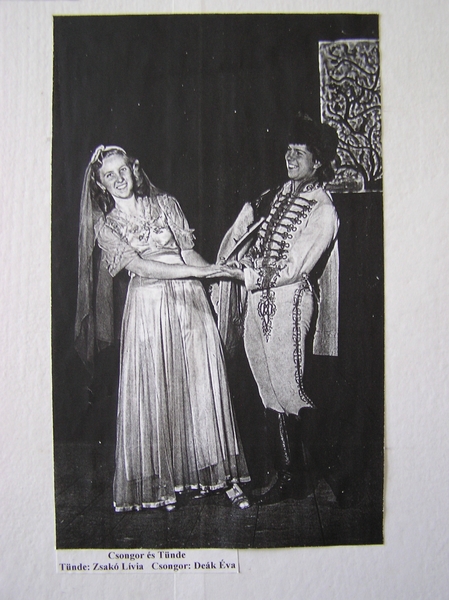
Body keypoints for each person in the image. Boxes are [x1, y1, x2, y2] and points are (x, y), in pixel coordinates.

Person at [75, 145, 250, 512]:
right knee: (158, 385)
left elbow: (188, 253)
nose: (118, 179)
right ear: (100, 183)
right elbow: (142, 268)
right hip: (149, 306)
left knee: (202, 382)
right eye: (109, 175)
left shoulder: (166, 203)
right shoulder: (105, 227)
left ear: (134, 170)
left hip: (189, 299)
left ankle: (222, 476)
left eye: (123, 170)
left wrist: (217, 270)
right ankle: (164, 481)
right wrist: (199, 272)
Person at [214, 114, 340, 503]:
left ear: (317, 161)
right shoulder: (278, 194)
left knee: (291, 388)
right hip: (258, 301)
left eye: (300, 152)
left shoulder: (323, 208)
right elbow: (257, 239)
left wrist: (249, 275)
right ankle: (288, 477)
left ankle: (330, 471)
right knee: (267, 388)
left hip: (290, 302)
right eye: (288, 150)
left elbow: (297, 265)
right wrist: (244, 256)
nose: (290, 157)